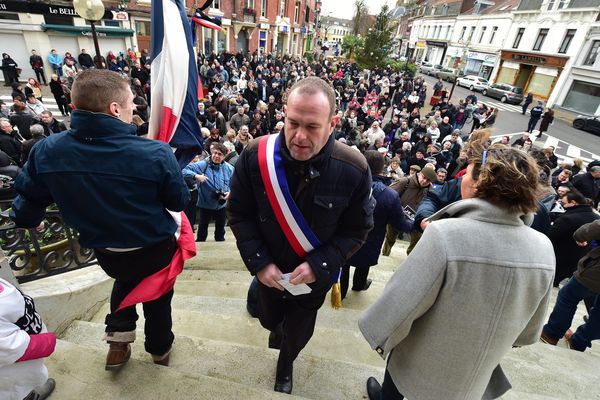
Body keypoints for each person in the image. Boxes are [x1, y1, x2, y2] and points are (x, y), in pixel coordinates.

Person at [10, 69, 193, 371]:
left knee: (125, 281)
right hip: (153, 249)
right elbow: (178, 201)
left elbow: (29, 198)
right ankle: (159, 348)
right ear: (115, 109)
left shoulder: (47, 150)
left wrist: (30, 220)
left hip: (106, 251)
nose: (135, 107)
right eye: (132, 102)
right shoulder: (155, 153)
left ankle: (118, 341)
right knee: (158, 298)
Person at [360, 144, 555, 400]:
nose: (461, 178)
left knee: (394, 388)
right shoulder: (544, 248)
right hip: (478, 371)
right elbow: (529, 331)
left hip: (421, 361)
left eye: (467, 173)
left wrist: (377, 333)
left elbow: (398, 306)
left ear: (480, 183)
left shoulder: (445, 235)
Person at [227, 76, 374, 395]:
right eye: (292, 123)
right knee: (269, 322)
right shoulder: (255, 156)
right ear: (284, 113)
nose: (299, 136)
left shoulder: (353, 169)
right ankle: (278, 336)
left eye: (312, 126)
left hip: (313, 279)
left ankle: (286, 363)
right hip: (270, 275)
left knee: (297, 331)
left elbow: (357, 230)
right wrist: (260, 263)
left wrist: (320, 264)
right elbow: (239, 213)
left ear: (333, 123)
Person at [341, 151, 412, 299]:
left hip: (345, 238)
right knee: (363, 263)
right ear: (382, 168)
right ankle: (359, 285)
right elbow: (400, 223)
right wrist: (415, 223)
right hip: (371, 239)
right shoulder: (390, 195)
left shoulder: (347, 185)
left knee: (344, 263)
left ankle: (340, 292)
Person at [541, 219, 600, 352]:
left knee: (568, 296)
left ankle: (551, 333)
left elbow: (588, 230)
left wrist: (579, 236)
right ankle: (579, 341)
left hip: (595, 274)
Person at [0, 277, 57, 400]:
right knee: (13, 390)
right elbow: (9, 347)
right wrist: (46, 342)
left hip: (23, 359)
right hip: (11, 370)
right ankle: (27, 396)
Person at [182, 143, 234, 242]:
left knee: (220, 236)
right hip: (205, 204)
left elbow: (236, 182)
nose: (216, 156)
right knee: (201, 236)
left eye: (220, 154)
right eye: (215, 153)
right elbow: (183, 169)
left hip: (221, 204)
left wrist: (230, 192)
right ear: (211, 152)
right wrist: (196, 176)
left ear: (224, 156)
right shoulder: (203, 165)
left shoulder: (229, 168)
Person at [548, 190, 600, 287]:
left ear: (573, 203)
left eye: (564, 203)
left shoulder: (567, 218)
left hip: (559, 260)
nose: (562, 205)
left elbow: (550, 236)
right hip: (582, 261)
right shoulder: (595, 217)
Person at [381, 165, 436, 256]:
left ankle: (410, 258)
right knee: (391, 237)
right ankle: (385, 253)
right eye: (424, 177)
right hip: (398, 214)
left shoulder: (429, 190)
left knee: (417, 238)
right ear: (420, 174)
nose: (425, 181)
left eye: (428, 180)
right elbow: (388, 194)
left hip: (415, 218)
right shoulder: (405, 181)